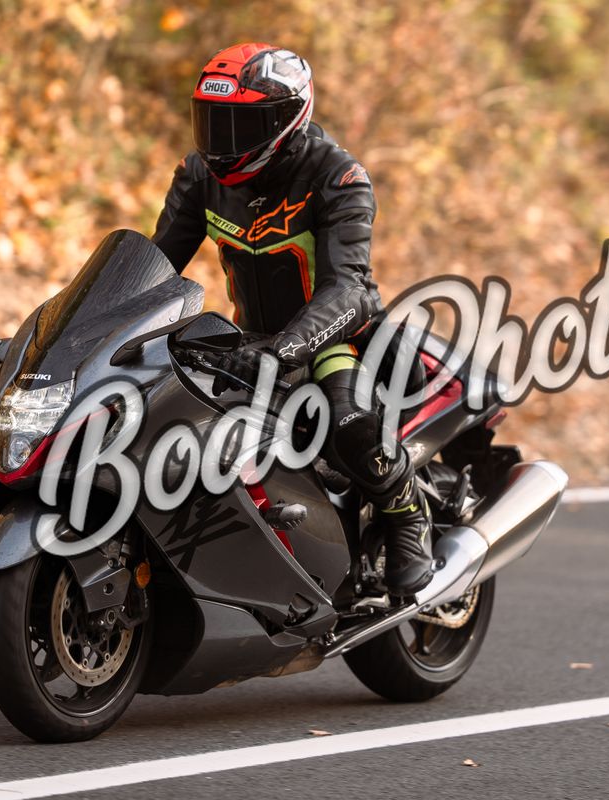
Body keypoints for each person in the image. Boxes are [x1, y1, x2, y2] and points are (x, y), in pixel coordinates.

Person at [151, 42, 433, 596]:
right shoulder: (198, 175)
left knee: (348, 423)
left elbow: (348, 289)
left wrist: (284, 349)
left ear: (286, 121)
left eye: (240, 126)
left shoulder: (338, 176)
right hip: (246, 341)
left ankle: (406, 514)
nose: (221, 142)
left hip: (336, 338)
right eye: (212, 123)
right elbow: (154, 268)